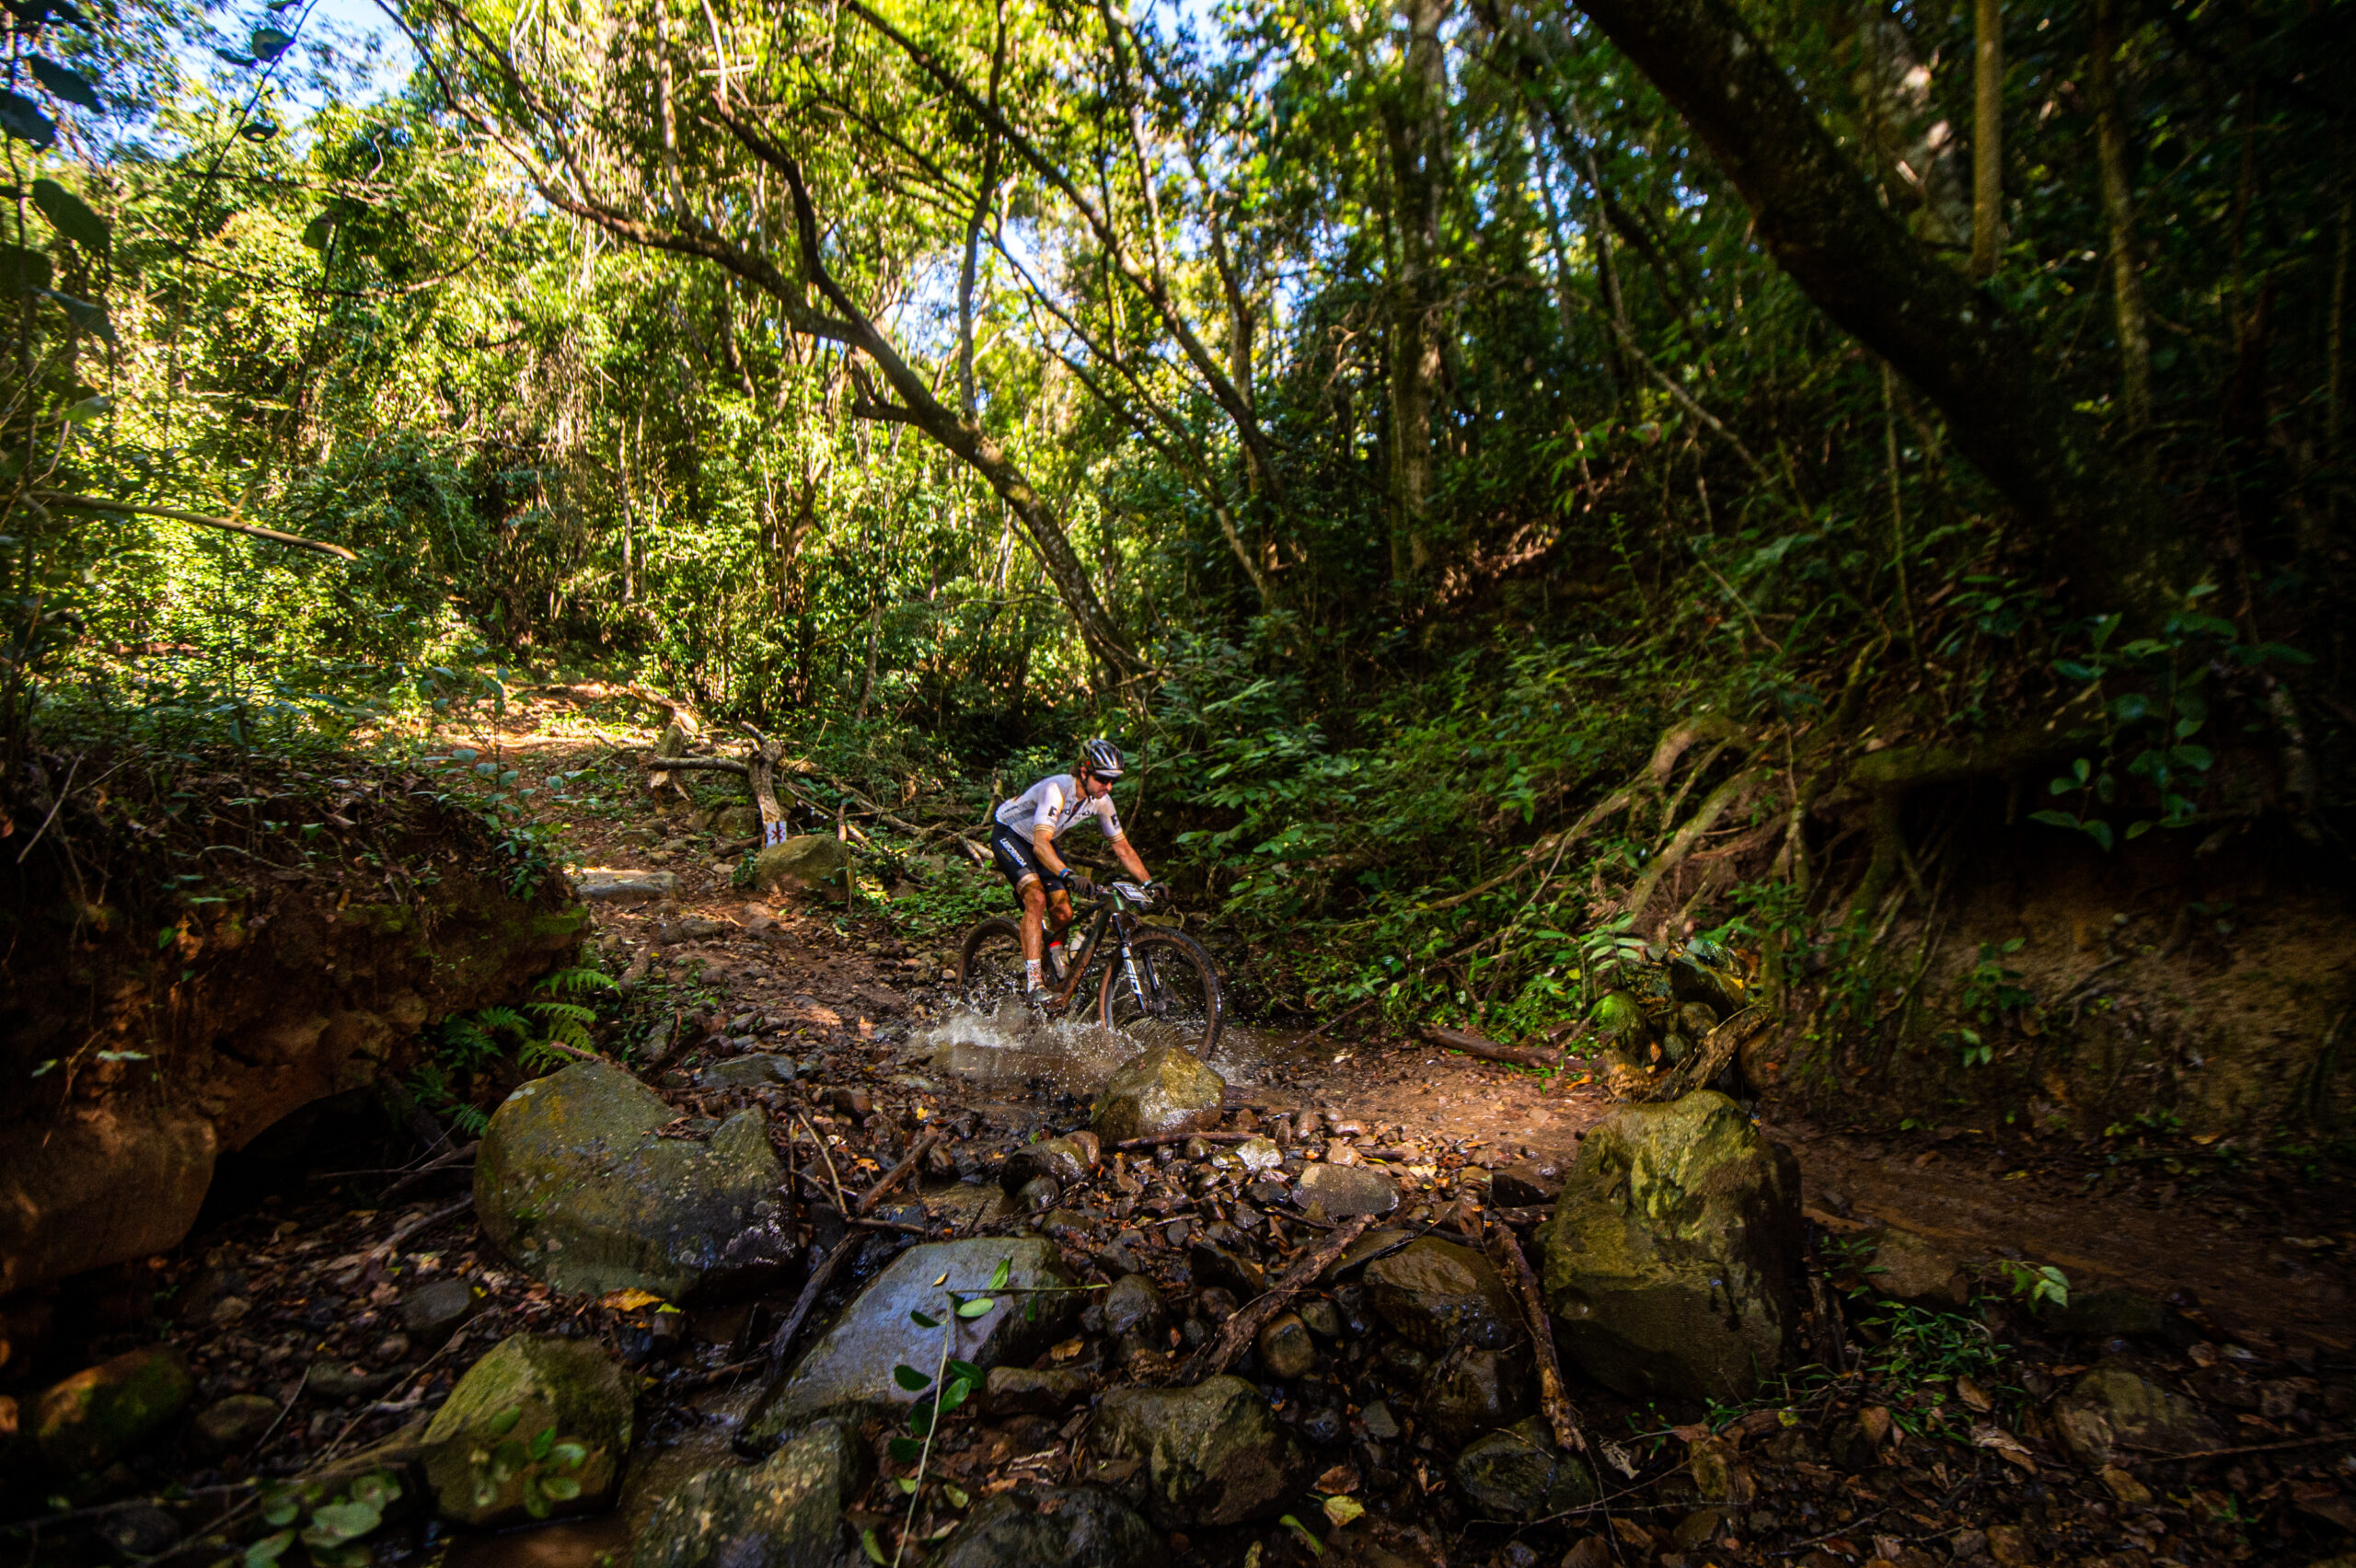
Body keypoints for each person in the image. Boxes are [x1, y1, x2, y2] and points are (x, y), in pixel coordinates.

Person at [990, 739, 1156, 996]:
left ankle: (1055, 956)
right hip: (1010, 835)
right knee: (1035, 898)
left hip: (1043, 840)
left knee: (1064, 912)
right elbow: (1040, 845)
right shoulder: (1056, 789)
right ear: (1083, 772)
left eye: (1114, 780)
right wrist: (1068, 874)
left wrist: (1148, 882)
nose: (1108, 786)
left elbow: (1122, 847)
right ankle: (1034, 984)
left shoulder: (1101, 800)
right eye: (1103, 778)